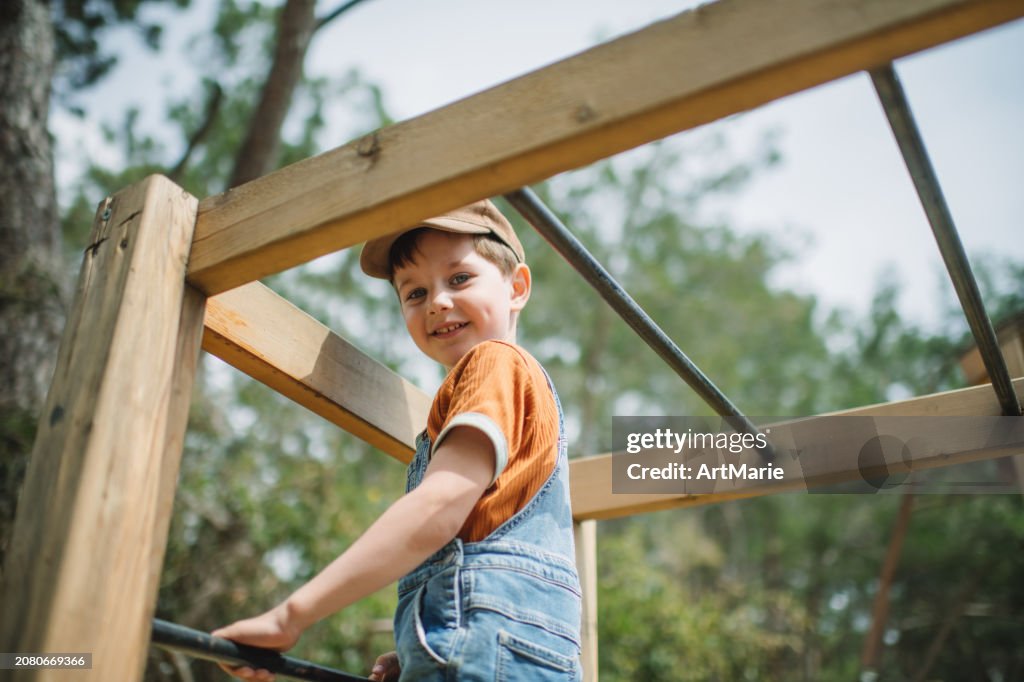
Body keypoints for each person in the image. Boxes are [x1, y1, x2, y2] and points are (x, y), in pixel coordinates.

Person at [212, 199, 582, 681]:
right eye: (414, 293)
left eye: (460, 278)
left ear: (517, 287)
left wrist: (291, 615)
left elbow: (438, 508)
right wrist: (423, 639)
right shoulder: (518, 392)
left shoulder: (493, 363)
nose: (437, 302)